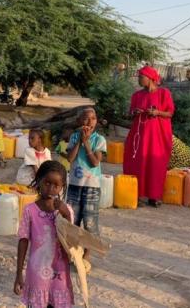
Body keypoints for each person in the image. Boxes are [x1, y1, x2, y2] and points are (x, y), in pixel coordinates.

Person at [14, 160, 75, 308]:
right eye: (47, 183)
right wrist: (18, 273)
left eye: (56, 185)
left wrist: (66, 213)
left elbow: (72, 238)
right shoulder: (30, 210)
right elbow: (23, 241)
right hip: (37, 271)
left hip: (60, 272)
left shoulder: (66, 210)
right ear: (38, 180)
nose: (51, 188)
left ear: (62, 187)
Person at [123, 65, 174, 208]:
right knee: (137, 163)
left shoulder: (164, 93)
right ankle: (136, 194)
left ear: (150, 78)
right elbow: (130, 113)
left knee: (155, 164)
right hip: (139, 136)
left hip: (158, 136)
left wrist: (157, 113)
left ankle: (154, 196)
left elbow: (169, 113)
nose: (139, 79)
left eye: (141, 77)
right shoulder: (137, 95)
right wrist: (135, 113)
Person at [66, 107, 106, 264]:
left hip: (92, 187)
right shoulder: (74, 137)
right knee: (73, 220)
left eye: (93, 118)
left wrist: (87, 143)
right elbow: (70, 158)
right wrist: (79, 142)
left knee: (90, 222)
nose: (90, 122)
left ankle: (87, 255)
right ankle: (74, 252)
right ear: (79, 122)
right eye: (86, 118)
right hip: (75, 185)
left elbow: (95, 162)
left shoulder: (99, 139)